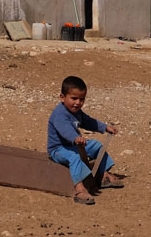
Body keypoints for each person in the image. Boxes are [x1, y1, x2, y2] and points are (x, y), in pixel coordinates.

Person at [47, 75, 124, 205]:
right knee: (75, 157)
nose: (78, 103)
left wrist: (104, 127)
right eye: (74, 98)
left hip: (74, 144)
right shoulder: (59, 114)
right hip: (59, 149)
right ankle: (79, 189)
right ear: (62, 97)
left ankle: (103, 174)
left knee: (96, 146)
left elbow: (88, 122)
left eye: (81, 99)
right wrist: (75, 138)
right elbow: (65, 129)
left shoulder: (77, 112)